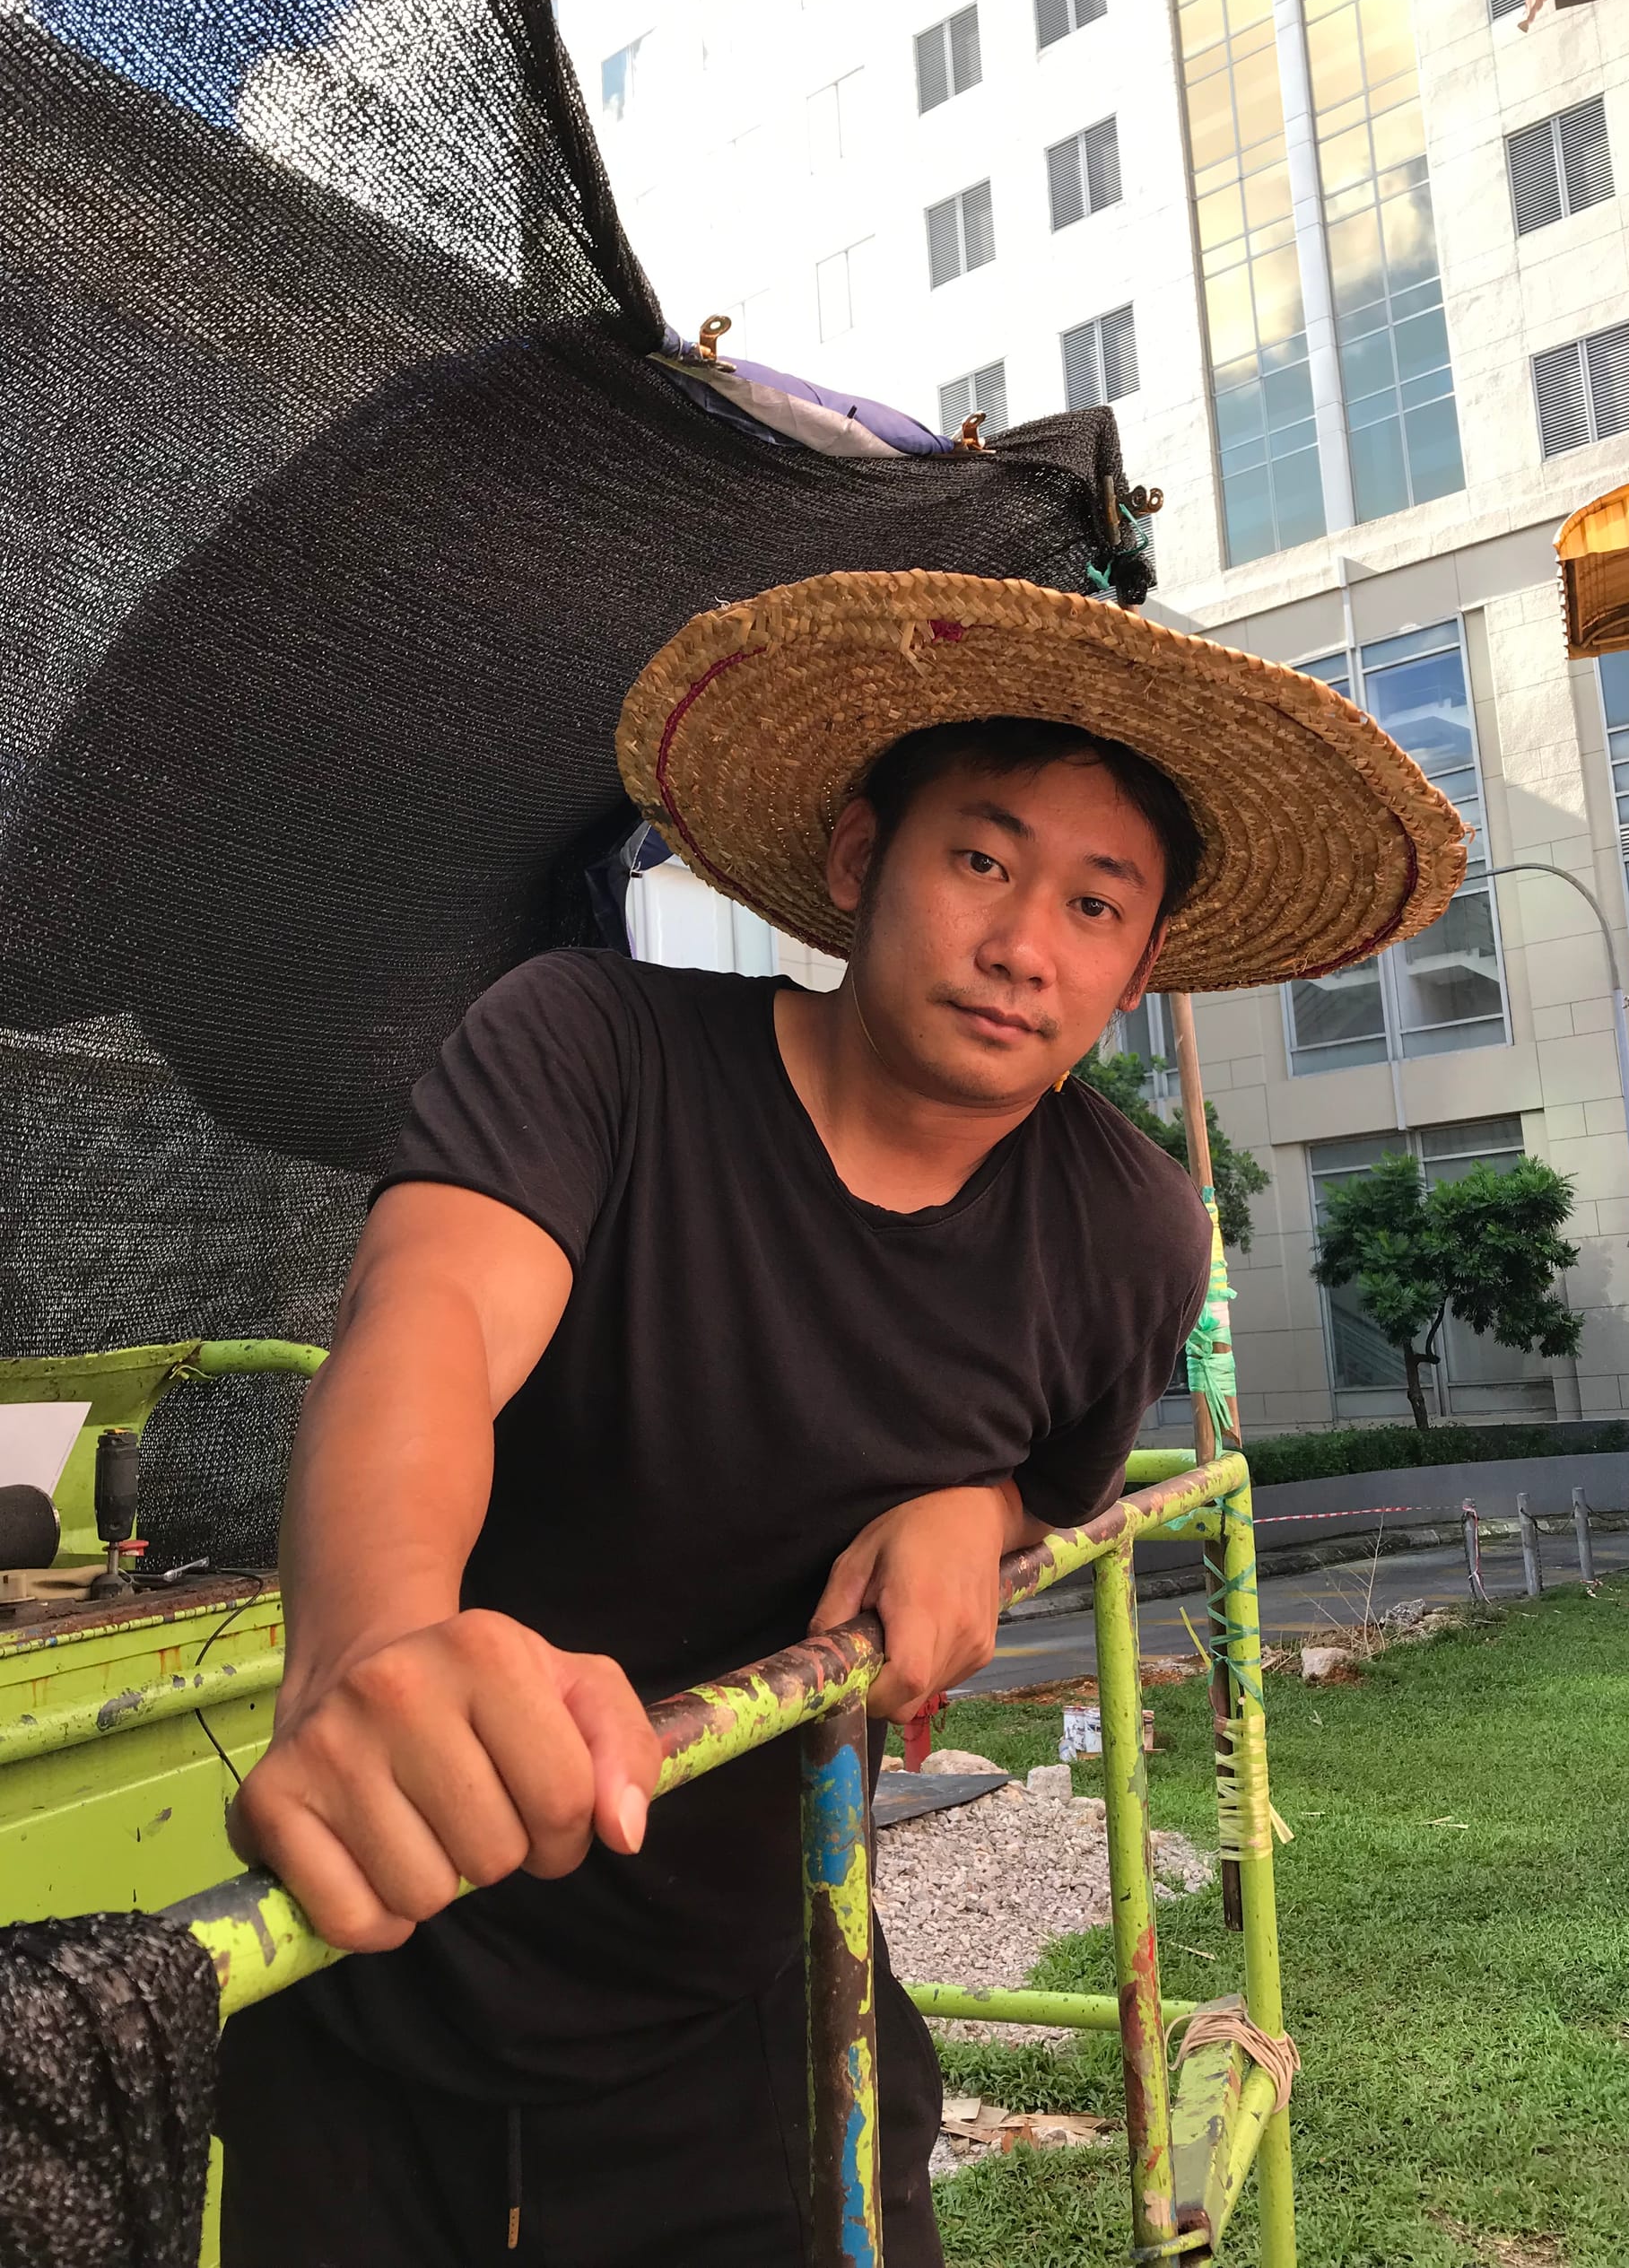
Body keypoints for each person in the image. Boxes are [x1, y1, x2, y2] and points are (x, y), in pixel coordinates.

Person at [219, 571, 1464, 2264]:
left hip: (760, 2010)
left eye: (1099, 907)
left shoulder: (1129, 1235)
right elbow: (425, 1319)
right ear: (859, 860)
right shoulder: (596, 1044)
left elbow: (1044, 1486)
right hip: (378, 1976)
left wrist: (982, 1513)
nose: (1028, 943)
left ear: (1139, 964)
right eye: (982, 860)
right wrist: (369, 1649)